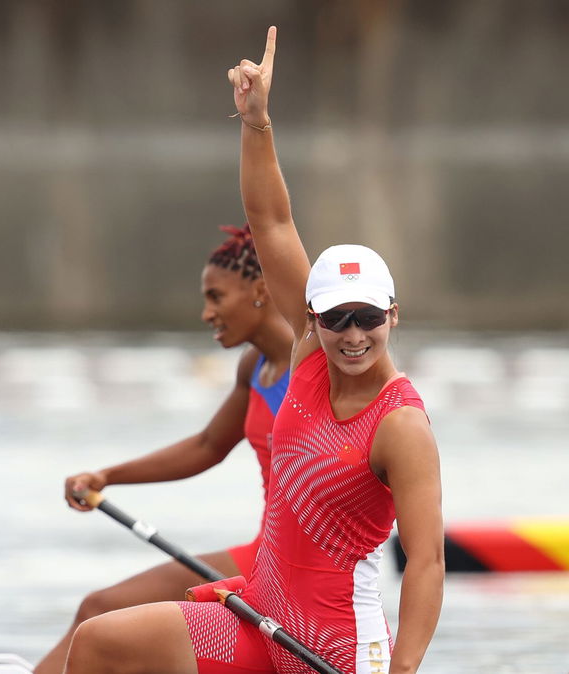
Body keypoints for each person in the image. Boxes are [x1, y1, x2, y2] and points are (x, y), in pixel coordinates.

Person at [65, 27, 444, 674]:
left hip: (338, 649)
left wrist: (404, 669)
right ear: (310, 318)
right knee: (100, 642)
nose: (353, 335)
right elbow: (271, 221)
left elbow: (428, 562)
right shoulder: (306, 354)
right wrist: (256, 123)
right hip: (260, 616)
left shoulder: (401, 425)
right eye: (336, 319)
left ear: (393, 314)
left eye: (368, 319)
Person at [33, 224, 294, 674]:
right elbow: (207, 445)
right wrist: (107, 476)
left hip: (296, 564)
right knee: (98, 612)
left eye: (216, 297)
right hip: (262, 551)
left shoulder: (313, 366)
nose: (206, 313)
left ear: (260, 290)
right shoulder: (255, 366)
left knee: (98, 611)